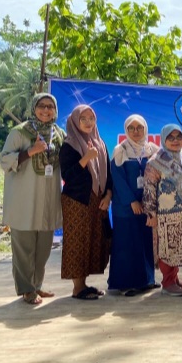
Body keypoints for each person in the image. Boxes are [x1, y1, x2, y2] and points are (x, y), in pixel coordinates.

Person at [0, 92, 65, 305]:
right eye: (41, 106)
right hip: (24, 199)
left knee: (43, 247)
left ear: (55, 110)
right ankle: (26, 289)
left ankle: (36, 285)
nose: (46, 110)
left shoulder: (58, 134)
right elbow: (4, 161)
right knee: (24, 247)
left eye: (50, 106)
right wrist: (31, 151)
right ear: (34, 108)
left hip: (48, 199)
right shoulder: (20, 132)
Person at [60, 105, 113, 300]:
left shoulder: (100, 143)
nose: (88, 122)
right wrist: (86, 158)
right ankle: (77, 288)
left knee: (94, 241)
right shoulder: (70, 145)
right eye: (83, 118)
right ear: (75, 121)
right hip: (77, 201)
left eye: (91, 118)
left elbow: (109, 175)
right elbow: (68, 175)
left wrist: (108, 196)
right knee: (78, 242)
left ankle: (84, 285)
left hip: (97, 200)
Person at [143, 124, 182, 297]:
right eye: (171, 138)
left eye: (178, 137)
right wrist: (151, 213)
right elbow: (149, 188)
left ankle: (174, 278)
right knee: (166, 248)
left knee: (178, 248)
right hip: (165, 214)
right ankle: (167, 283)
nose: (175, 141)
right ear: (164, 139)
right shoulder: (156, 161)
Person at [108, 115, 160, 296]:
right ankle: (125, 284)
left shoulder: (152, 150)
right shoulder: (120, 150)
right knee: (126, 244)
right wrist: (132, 201)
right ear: (126, 130)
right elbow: (118, 179)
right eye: (131, 128)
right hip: (126, 206)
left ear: (145, 129)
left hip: (147, 204)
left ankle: (147, 280)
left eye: (139, 127)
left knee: (145, 242)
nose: (136, 131)